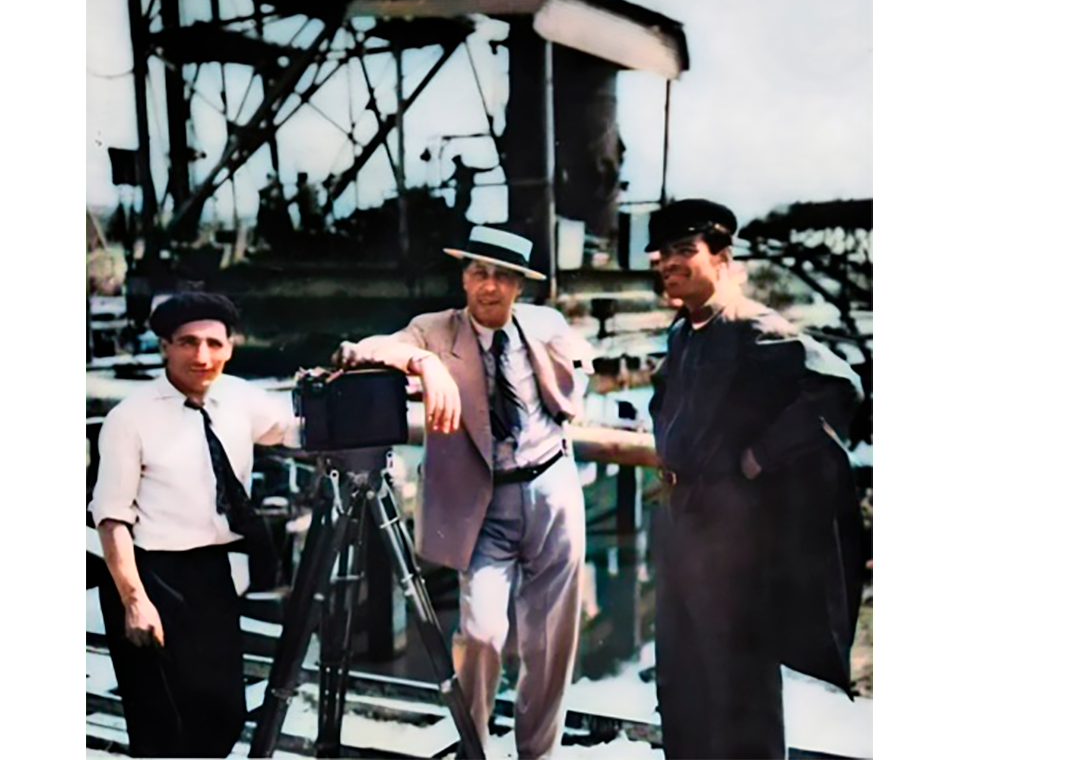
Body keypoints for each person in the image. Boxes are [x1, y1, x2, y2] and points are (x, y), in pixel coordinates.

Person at [334, 225, 595, 760]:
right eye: (479, 272)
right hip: (484, 503)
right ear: (463, 277)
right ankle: (473, 747)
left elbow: (579, 364)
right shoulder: (435, 329)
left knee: (549, 644)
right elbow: (364, 350)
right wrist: (425, 364)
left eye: (502, 276)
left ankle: (536, 754)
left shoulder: (544, 323)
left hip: (553, 489)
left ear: (520, 285)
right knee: (480, 632)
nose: (490, 286)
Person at [645, 199, 865, 760]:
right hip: (684, 524)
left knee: (738, 684)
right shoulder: (683, 333)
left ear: (720, 258)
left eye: (683, 251)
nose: (667, 262)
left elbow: (838, 386)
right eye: (662, 252)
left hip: (733, 534)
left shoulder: (752, 325)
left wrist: (759, 457)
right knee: (683, 678)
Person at [90, 292, 298, 757]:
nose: (201, 357)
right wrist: (135, 601)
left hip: (211, 571)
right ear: (165, 345)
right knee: (161, 724)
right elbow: (111, 518)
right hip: (148, 574)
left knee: (223, 712)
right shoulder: (131, 418)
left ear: (230, 347)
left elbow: (294, 430)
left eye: (212, 344)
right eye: (187, 343)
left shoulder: (241, 397)